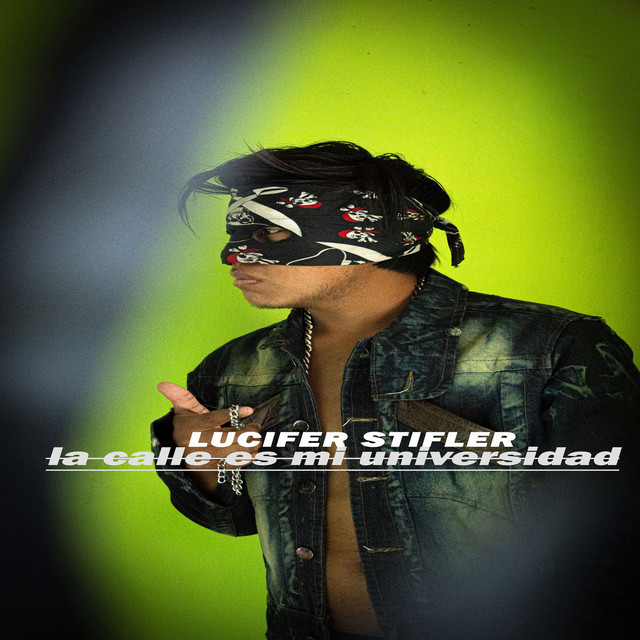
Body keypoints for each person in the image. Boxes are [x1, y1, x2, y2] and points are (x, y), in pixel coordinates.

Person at [152, 141, 639, 640]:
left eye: (270, 231)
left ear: (378, 235)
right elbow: (231, 519)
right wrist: (200, 462)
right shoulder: (236, 368)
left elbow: (618, 536)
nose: (232, 254)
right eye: (234, 233)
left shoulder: (546, 348)